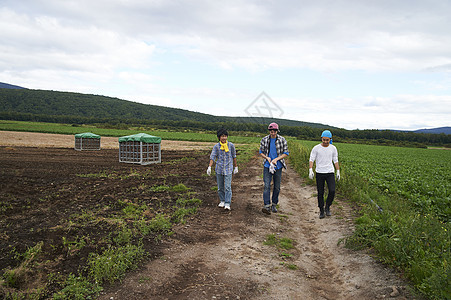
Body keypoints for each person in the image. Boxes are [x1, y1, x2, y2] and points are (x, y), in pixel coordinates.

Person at [309, 130, 340, 219]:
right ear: (321, 138)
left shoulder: (333, 148)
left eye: (327, 140)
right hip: (319, 172)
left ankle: (328, 206)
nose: (325, 142)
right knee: (320, 192)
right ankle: (321, 210)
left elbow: (335, 160)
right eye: (324, 140)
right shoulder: (316, 148)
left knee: (332, 190)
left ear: (330, 139)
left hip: (330, 172)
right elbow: (311, 159)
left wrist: (338, 171)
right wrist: (310, 170)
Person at [259, 122, 289, 214]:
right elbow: (261, 152)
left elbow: (286, 153)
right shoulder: (264, 140)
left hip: (278, 166)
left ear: (277, 131)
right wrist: (267, 157)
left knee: (277, 187)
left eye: (274, 131)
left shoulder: (282, 140)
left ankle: (274, 204)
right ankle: (267, 206)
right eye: (271, 131)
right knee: (267, 185)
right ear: (269, 131)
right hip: (267, 166)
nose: (273, 133)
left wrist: (276, 159)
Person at [207, 128, 238, 210]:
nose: (224, 138)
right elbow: (212, 157)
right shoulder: (216, 147)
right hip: (219, 169)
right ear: (219, 137)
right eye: (222, 136)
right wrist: (209, 167)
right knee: (220, 187)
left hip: (228, 169)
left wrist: (236, 167)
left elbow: (234, 156)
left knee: (227, 186)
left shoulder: (231, 146)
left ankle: (227, 203)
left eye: (225, 136)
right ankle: (222, 200)